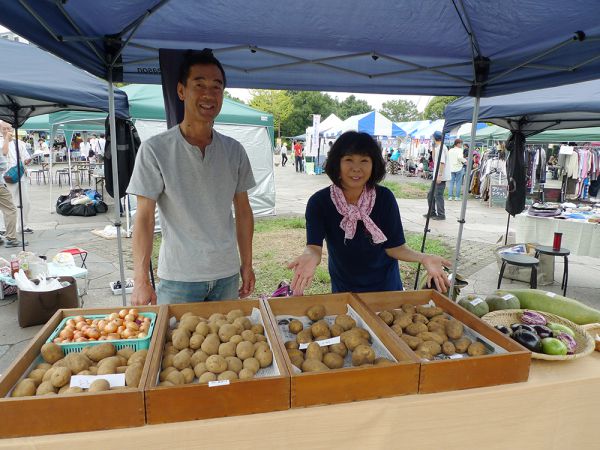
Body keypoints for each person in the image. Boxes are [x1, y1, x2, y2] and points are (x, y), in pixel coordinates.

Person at [127, 49, 256, 305]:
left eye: (217, 87)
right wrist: (141, 279)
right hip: (179, 277)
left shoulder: (234, 150)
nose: (209, 94)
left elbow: (243, 211)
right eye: (199, 85)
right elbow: (143, 217)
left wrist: (247, 264)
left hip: (226, 274)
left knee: (228, 344)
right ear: (181, 91)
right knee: (175, 344)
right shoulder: (155, 149)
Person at [288, 131, 451, 295]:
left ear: (374, 165)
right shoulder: (319, 202)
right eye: (349, 160)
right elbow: (313, 247)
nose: (356, 168)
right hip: (344, 290)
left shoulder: (384, 198)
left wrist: (423, 258)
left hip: (386, 288)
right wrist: (309, 256)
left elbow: (395, 248)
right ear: (337, 163)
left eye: (364, 160)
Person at [0, 121, 33, 234]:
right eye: (4, 129)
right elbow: (3, 154)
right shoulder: (1, 141)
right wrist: (6, 140)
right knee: (7, 205)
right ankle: (3, 228)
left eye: (9, 129)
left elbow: (25, 158)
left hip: (20, 175)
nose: (7, 131)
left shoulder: (19, 143)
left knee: (25, 202)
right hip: (5, 177)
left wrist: (27, 160)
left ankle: (23, 226)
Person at [424, 131, 450, 220]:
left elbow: (442, 163)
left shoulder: (441, 148)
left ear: (435, 138)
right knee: (431, 194)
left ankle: (441, 214)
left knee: (438, 195)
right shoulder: (438, 147)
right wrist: (433, 147)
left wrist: (440, 175)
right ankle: (432, 212)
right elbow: (435, 160)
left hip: (440, 176)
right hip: (437, 175)